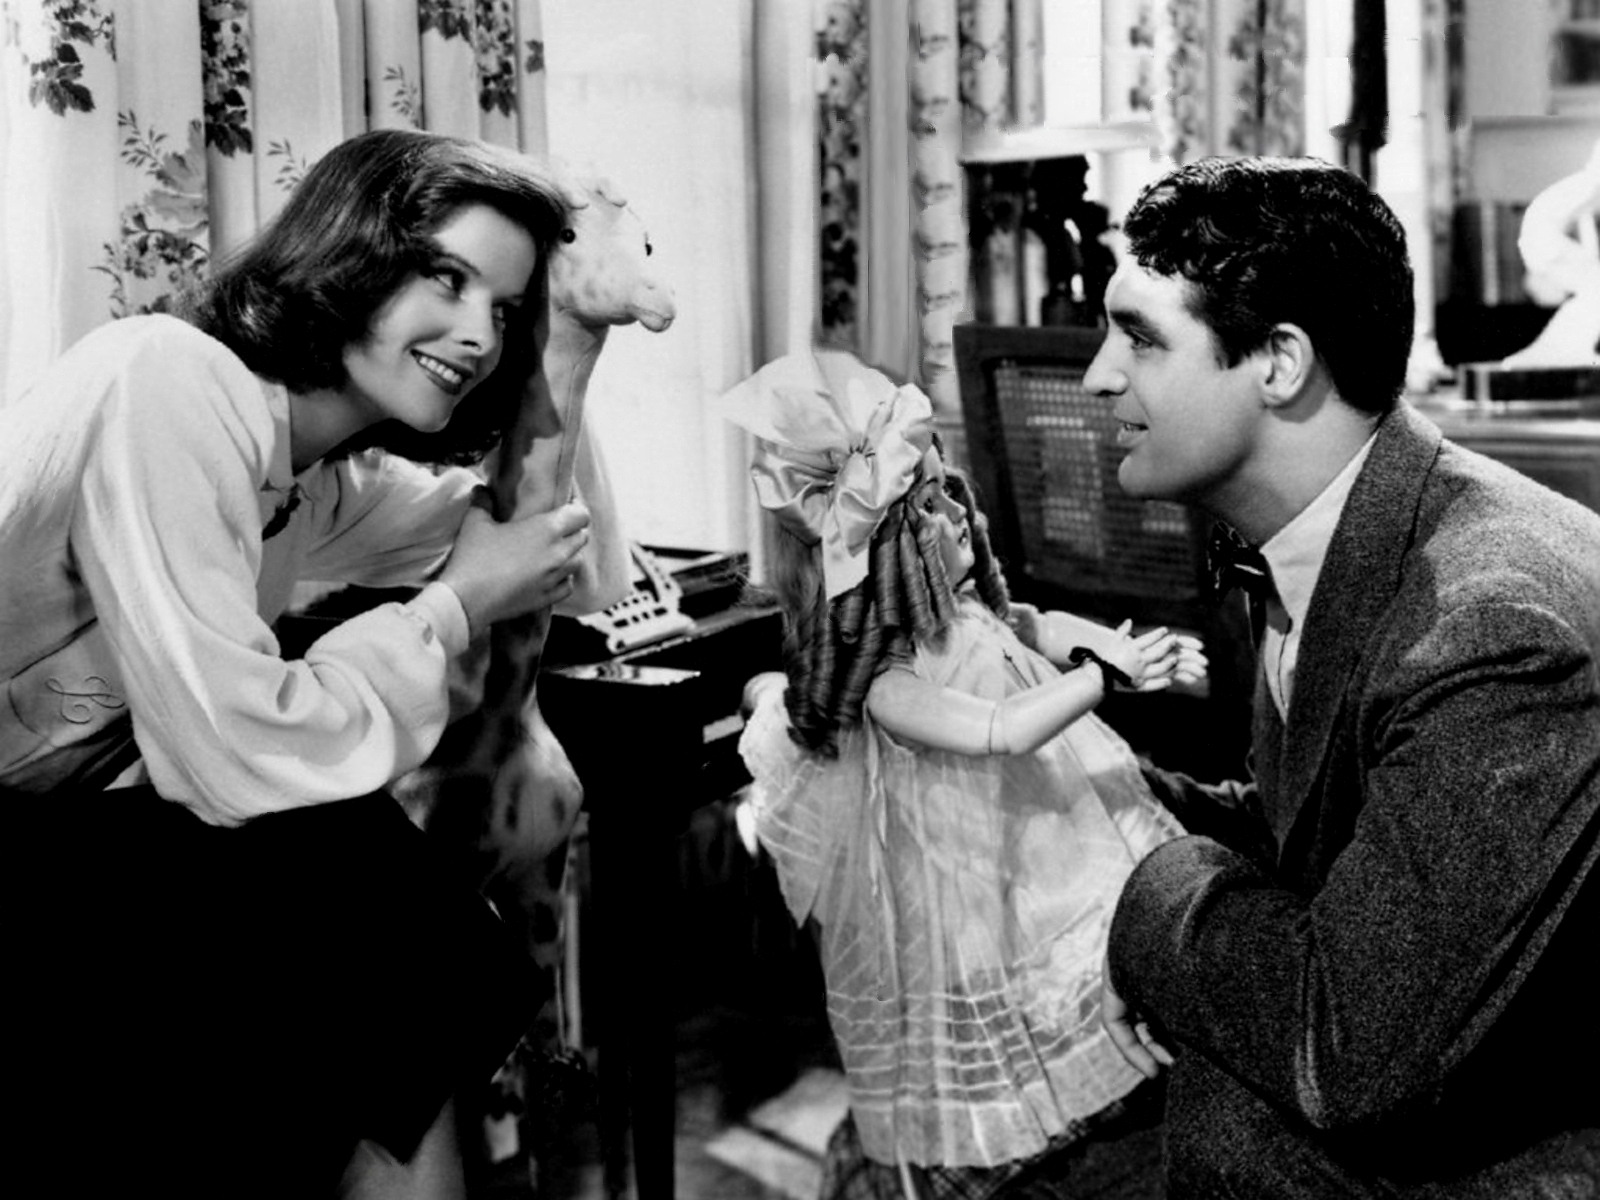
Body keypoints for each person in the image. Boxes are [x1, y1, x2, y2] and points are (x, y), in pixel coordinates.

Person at [0, 128, 595, 1199]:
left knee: (382, 915)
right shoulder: (165, 377)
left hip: (76, 825)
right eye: (445, 277)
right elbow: (234, 752)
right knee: (371, 891)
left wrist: (576, 344)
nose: (478, 335)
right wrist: (454, 605)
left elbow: (528, 534)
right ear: (351, 252)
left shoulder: (309, 476)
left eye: (507, 311)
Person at [1085, 155, 1600, 1196]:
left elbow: (1345, 1043)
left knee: (1229, 1116)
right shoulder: (1330, 524)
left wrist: (1137, 898)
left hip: (1542, 1134)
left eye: (1138, 336)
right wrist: (1098, 788)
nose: (1098, 375)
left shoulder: (1489, 626)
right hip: (1442, 1064)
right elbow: (1318, 828)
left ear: (1279, 362)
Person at [724, 348, 1205, 1199]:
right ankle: (1052, 1119)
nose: (957, 513)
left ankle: (1124, 1085)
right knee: (1029, 986)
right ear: (883, 553)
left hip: (1046, 825)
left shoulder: (971, 608)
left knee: (1112, 941)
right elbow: (1001, 732)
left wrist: (1110, 646)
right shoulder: (891, 683)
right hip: (977, 863)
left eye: (949, 492)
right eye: (930, 509)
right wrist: (1103, 679)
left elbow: (1035, 623)